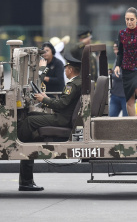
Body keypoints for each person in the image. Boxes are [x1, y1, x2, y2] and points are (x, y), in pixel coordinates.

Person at [18, 52, 82, 191]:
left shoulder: (73, 85)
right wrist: (46, 97)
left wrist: (44, 100)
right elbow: (64, 103)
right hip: (63, 115)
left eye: (66, 68)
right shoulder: (78, 82)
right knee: (32, 115)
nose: (65, 70)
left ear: (70, 69)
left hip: (62, 119)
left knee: (29, 121)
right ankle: (25, 179)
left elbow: (61, 105)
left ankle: (19, 146)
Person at [109, 40, 128, 117]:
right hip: (115, 94)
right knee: (111, 119)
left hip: (125, 95)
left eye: (116, 49)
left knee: (126, 121)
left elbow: (123, 76)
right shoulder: (117, 59)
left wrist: (112, 74)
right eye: (114, 49)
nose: (115, 51)